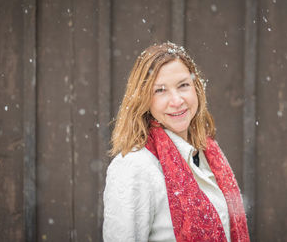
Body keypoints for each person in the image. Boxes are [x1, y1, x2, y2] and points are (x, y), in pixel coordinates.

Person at [103, 42, 250, 242]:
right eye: (160, 90)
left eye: (183, 85)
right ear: (144, 99)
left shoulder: (209, 153)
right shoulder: (134, 167)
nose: (177, 100)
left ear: (196, 88)